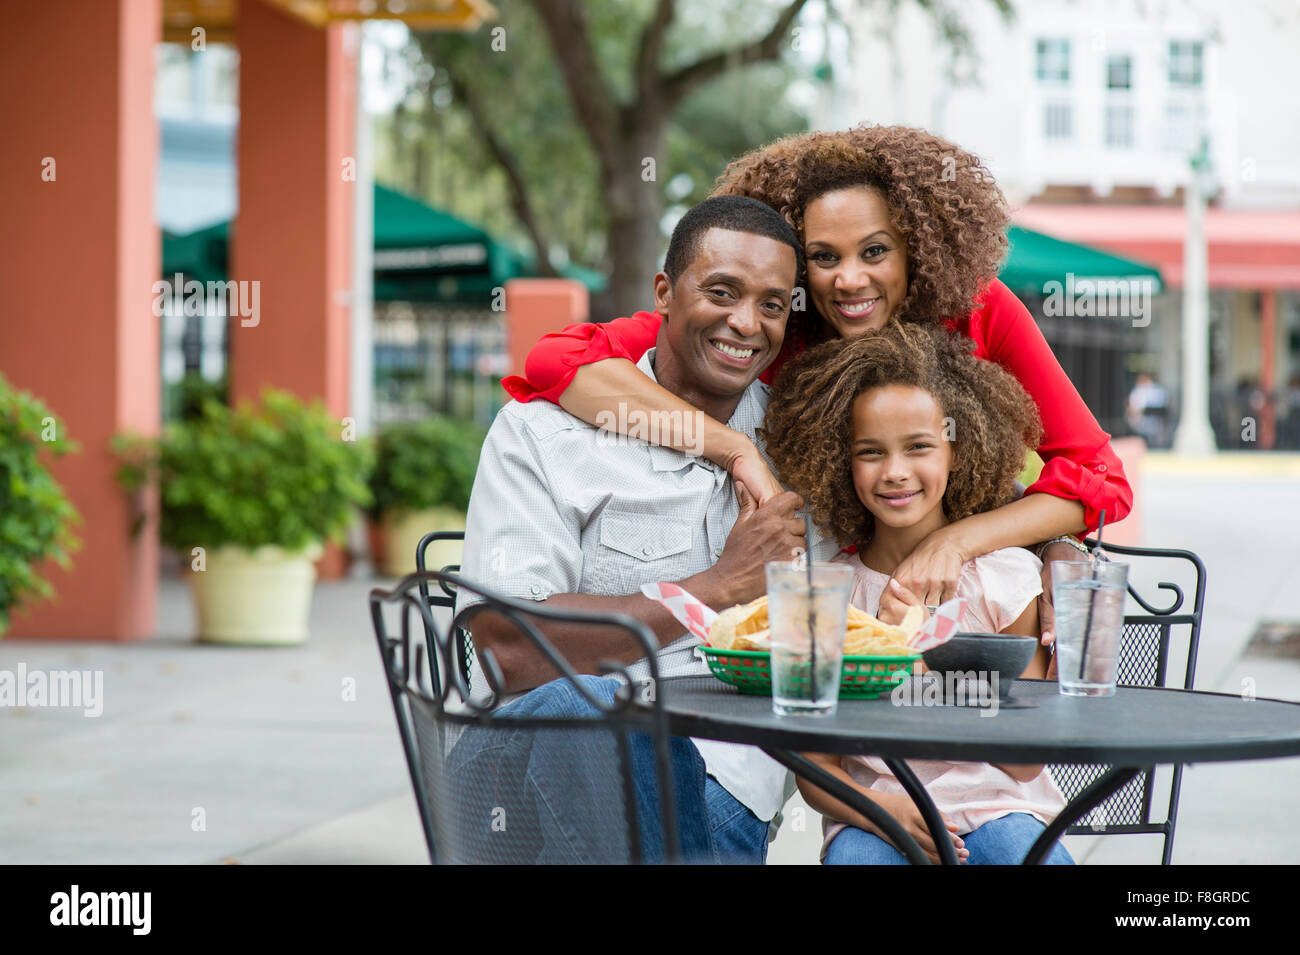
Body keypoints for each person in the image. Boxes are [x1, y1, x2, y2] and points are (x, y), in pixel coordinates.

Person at [500, 125, 1131, 649]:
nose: (848, 281)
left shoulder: (978, 310)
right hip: (839, 600)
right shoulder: (771, 324)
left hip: (964, 602)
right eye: (825, 257)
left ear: (918, 248)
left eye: (875, 251)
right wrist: (732, 447)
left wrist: (967, 541)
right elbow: (560, 361)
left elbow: (1097, 477)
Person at [447, 195, 839, 864]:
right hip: (521, 779)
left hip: (723, 788)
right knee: (599, 707)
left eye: (772, 304)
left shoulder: (802, 448)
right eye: (722, 291)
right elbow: (506, 652)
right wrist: (714, 587)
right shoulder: (546, 431)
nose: (745, 323)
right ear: (663, 291)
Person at [762, 321, 1073, 865]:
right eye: (871, 452)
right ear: (841, 461)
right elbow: (816, 770)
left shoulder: (1003, 579)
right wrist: (888, 810)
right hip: (875, 816)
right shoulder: (826, 594)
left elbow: (1026, 762)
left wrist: (931, 665)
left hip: (1000, 809)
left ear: (959, 449)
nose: (896, 472)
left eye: (919, 447)